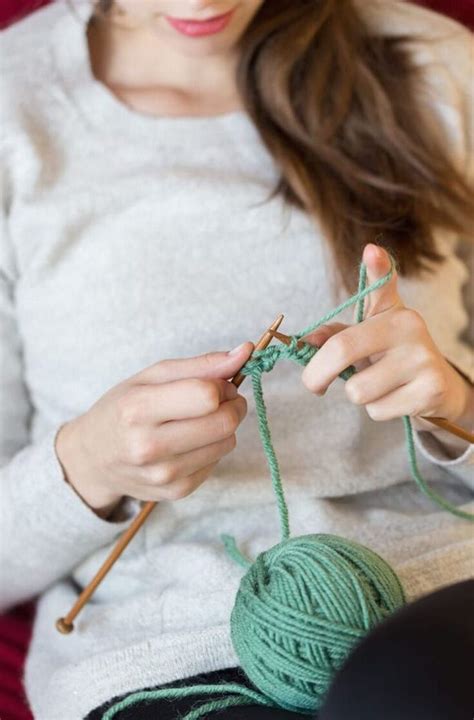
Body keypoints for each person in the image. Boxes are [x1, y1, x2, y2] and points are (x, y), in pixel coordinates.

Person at [0, 0, 472, 718]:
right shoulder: (16, 108)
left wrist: (458, 409)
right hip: (173, 646)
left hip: (443, 592)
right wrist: (89, 466)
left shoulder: (436, 65)